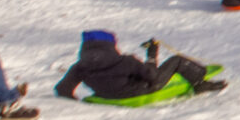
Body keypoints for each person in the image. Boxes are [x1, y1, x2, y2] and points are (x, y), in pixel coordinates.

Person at [55, 30, 223, 100]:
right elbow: (152, 76)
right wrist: (151, 56)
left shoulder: (79, 66)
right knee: (177, 60)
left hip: (106, 95)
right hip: (138, 91)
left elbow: (62, 89)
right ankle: (200, 83)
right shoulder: (124, 61)